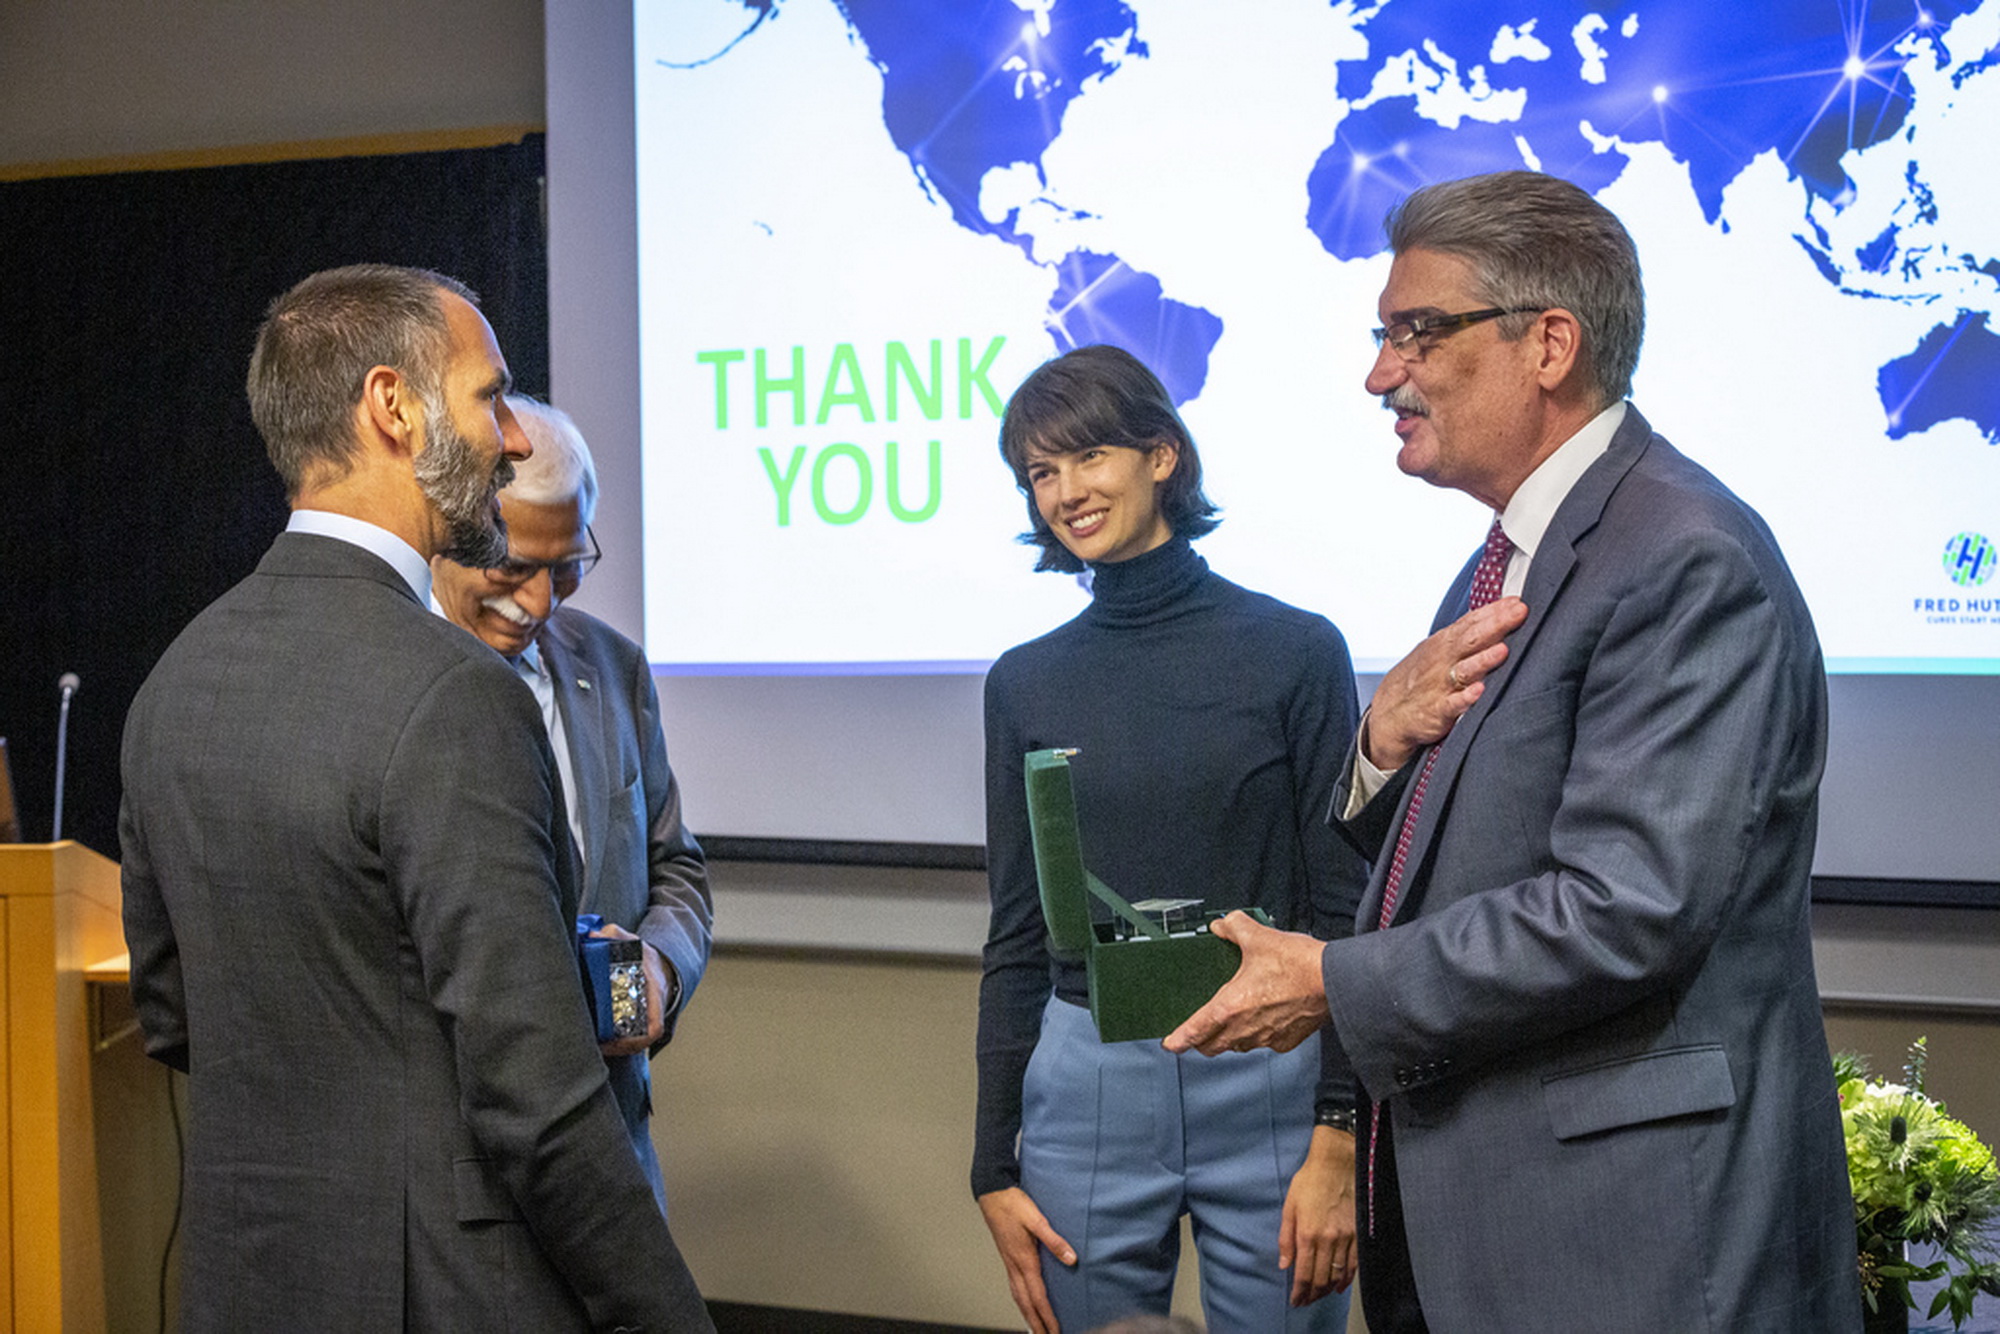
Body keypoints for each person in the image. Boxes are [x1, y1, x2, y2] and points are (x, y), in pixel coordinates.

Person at [1164, 172, 1862, 1332]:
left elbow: (1623, 906)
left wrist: (1330, 980)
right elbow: (1476, 846)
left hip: (1623, 1239)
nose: (1380, 374)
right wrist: (1379, 751)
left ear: (1548, 343)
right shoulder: (1514, 556)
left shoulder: (1683, 559)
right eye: (1382, 337)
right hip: (1495, 1216)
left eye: (1415, 334)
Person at [119, 264, 714, 1332]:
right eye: (490, 396)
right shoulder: (454, 694)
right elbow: (535, 1098)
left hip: (248, 1280)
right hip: (447, 1289)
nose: (514, 438)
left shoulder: (172, 681)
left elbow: (173, 1013)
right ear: (393, 408)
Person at [976, 344, 1369, 1334]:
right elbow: (1018, 929)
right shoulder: (1022, 681)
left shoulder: (1296, 650)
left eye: (1086, 455)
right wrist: (991, 1161)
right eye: (1039, 472)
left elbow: (1342, 912)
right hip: (1085, 1083)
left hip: (1270, 1073)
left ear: (1161, 456)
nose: (1064, 490)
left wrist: (1337, 1135)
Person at [431, 394, 713, 1217]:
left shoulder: (613, 667)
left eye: (568, 568)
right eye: (513, 567)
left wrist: (657, 970)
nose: (541, 603)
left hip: (611, 1149)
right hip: (455, 1175)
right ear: (444, 535)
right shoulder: (387, 691)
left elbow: (676, 868)